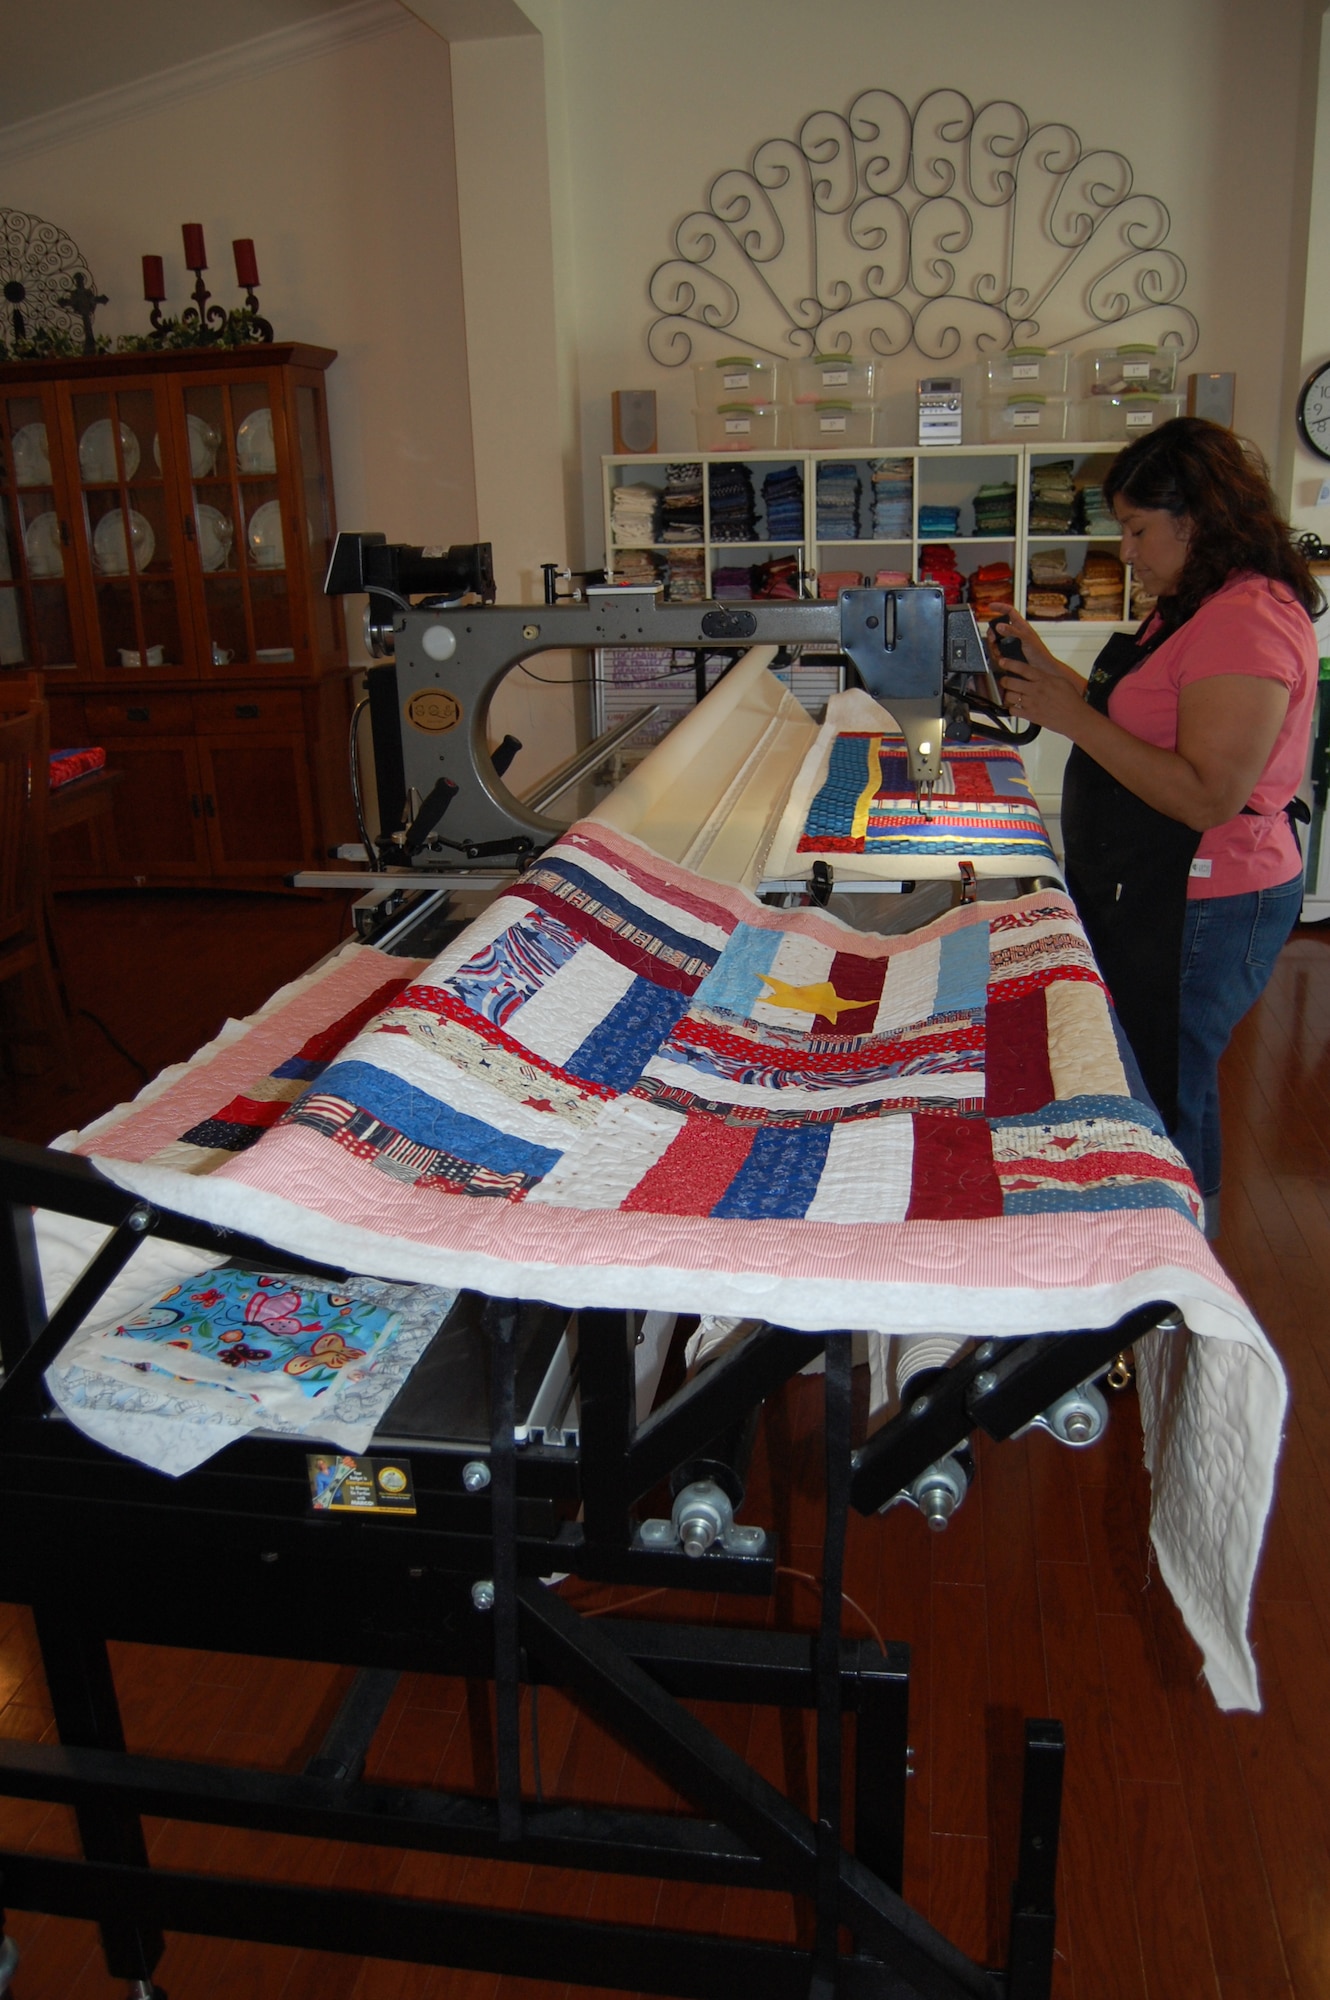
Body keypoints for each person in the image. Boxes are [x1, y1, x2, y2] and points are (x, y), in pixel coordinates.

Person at [990, 416, 1320, 1234]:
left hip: (1210, 894)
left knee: (1167, 1085)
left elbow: (1208, 794)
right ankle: (1174, 1260)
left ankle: (1172, 1272)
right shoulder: (1191, 604)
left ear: (1196, 517)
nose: (1127, 551)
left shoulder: (1247, 619)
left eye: (1137, 530)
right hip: (1160, 883)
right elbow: (1139, 717)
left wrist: (1069, 716)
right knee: (1165, 1075)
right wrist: (1050, 672)